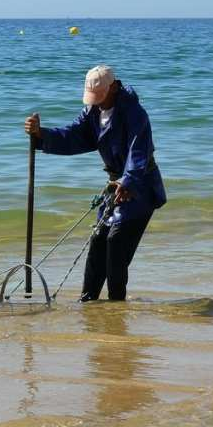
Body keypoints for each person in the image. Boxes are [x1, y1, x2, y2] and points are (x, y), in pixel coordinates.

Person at [24, 65, 166, 302]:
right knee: (99, 238)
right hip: (114, 185)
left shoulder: (133, 113)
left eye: (100, 98)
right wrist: (41, 135)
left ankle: (116, 305)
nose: (96, 103)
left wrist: (128, 181)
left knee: (116, 241)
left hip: (140, 186)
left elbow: (138, 151)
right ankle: (88, 302)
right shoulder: (92, 112)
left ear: (113, 88)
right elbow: (73, 136)